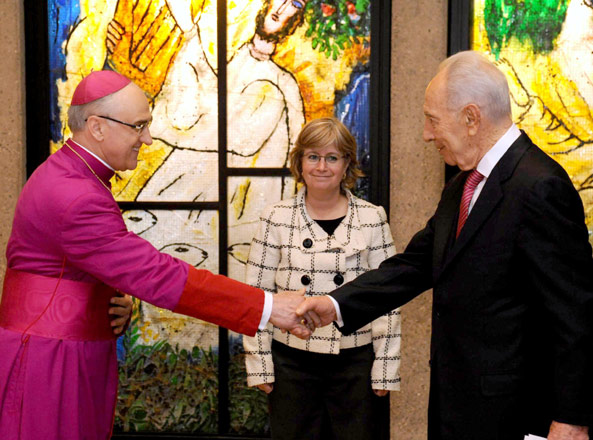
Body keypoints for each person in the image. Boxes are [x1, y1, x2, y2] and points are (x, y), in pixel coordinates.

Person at [296, 51, 593, 440]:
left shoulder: (539, 186)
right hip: (457, 409)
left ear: (471, 118)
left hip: (515, 417)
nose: (426, 134)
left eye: (432, 120)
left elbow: (576, 316)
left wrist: (571, 420)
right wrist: (335, 304)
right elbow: (414, 265)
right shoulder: (461, 186)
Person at [0, 70, 311, 440]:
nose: (147, 139)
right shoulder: (75, 195)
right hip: (51, 364)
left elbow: (71, 270)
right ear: (97, 127)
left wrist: (107, 298)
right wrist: (269, 307)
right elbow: (156, 274)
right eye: (138, 126)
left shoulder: (73, 175)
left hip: (64, 351)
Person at [243, 117, 401, 440]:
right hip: (291, 364)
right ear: (300, 162)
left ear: (347, 165)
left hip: (356, 364)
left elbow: (387, 301)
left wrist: (385, 368)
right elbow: (256, 294)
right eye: (313, 156)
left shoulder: (372, 218)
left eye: (332, 157)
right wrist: (259, 363)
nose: (322, 166)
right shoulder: (276, 218)